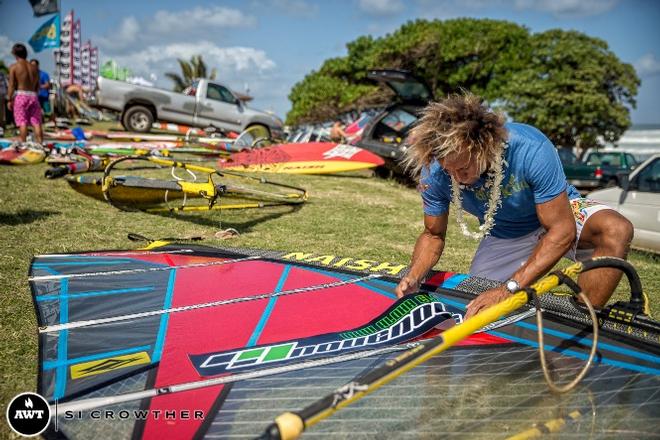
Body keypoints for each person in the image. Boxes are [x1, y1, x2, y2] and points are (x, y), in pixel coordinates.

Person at [395, 93, 634, 319]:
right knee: (476, 308)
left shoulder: (530, 147)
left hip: (559, 213)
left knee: (615, 229)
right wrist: (414, 275)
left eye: (464, 168)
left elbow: (562, 231)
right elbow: (433, 234)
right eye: (450, 170)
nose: (457, 177)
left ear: (483, 147)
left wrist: (507, 289)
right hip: (505, 232)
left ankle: (583, 319)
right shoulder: (433, 171)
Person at [7, 43, 43, 143]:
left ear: (14, 54)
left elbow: (11, 85)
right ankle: (40, 144)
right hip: (33, 96)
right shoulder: (34, 68)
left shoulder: (14, 67)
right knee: (36, 122)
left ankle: (23, 145)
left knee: (22, 122)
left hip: (21, 95)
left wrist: (9, 99)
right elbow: (37, 86)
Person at [30, 59, 54, 124]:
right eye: (31, 65)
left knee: (48, 112)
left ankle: (52, 123)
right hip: (34, 97)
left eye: (34, 65)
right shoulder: (30, 75)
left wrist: (38, 87)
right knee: (36, 112)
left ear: (38, 65)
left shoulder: (44, 74)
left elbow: (47, 85)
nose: (33, 67)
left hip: (44, 96)